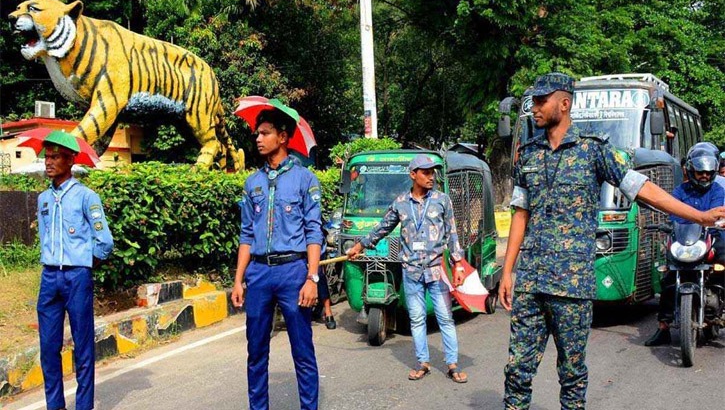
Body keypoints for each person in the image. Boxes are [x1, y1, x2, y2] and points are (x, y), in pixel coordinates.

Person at [499, 73, 725, 410]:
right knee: (517, 370)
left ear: (564, 103)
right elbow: (520, 212)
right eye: (533, 102)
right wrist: (508, 271)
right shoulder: (529, 154)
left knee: (572, 374)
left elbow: (643, 189)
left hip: (572, 285)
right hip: (531, 281)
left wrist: (700, 217)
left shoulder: (594, 149)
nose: (534, 108)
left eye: (540, 101)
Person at [231, 106, 323, 410]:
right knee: (256, 351)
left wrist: (312, 278)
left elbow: (313, 232)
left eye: (265, 132)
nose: (258, 138)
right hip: (258, 273)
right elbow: (246, 234)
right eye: (258, 133)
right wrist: (238, 280)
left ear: (283, 137)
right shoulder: (252, 183)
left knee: (302, 351)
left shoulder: (305, 180)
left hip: (293, 273)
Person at [347, 154, 469, 383]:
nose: (430, 176)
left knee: (445, 318)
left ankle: (452, 364)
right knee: (417, 319)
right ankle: (423, 363)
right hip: (411, 272)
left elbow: (452, 234)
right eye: (425, 172)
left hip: (435, 271)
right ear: (413, 175)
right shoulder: (401, 203)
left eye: (432, 172)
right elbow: (382, 228)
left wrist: (458, 264)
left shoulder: (443, 200)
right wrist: (360, 245)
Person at [36, 130, 114, 410]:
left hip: (77, 278)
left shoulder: (86, 196)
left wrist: (84, 263)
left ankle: (84, 405)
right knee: (48, 347)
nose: (48, 162)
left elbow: (104, 241)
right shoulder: (43, 199)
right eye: (47, 156)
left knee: (82, 347)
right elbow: (44, 237)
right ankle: (55, 405)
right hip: (49, 279)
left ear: (70, 160)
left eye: (55, 157)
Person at [645, 143, 725, 346]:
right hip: (685, 241)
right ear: (691, 170)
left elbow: (717, 214)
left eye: (708, 172)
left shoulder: (717, 191)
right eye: (700, 172)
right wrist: (667, 224)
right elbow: (672, 213)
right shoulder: (680, 191)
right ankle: (663, 327)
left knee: (724, 265)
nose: (704, 176)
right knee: (669, 277)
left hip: (712, 238)